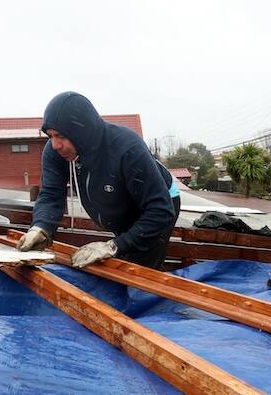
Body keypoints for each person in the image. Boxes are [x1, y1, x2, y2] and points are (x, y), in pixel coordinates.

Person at [16, 91, 180, 268]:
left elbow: (160, 211)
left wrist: (114, 246)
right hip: (120, 207)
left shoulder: (127, 146)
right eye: (51, 136)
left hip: (157, 205)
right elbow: (51, 194)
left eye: (61, 136)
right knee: (122, 262)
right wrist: (40, 227)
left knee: (139, 270)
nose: (55, 145)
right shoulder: (55, 152)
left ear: (81, 132)